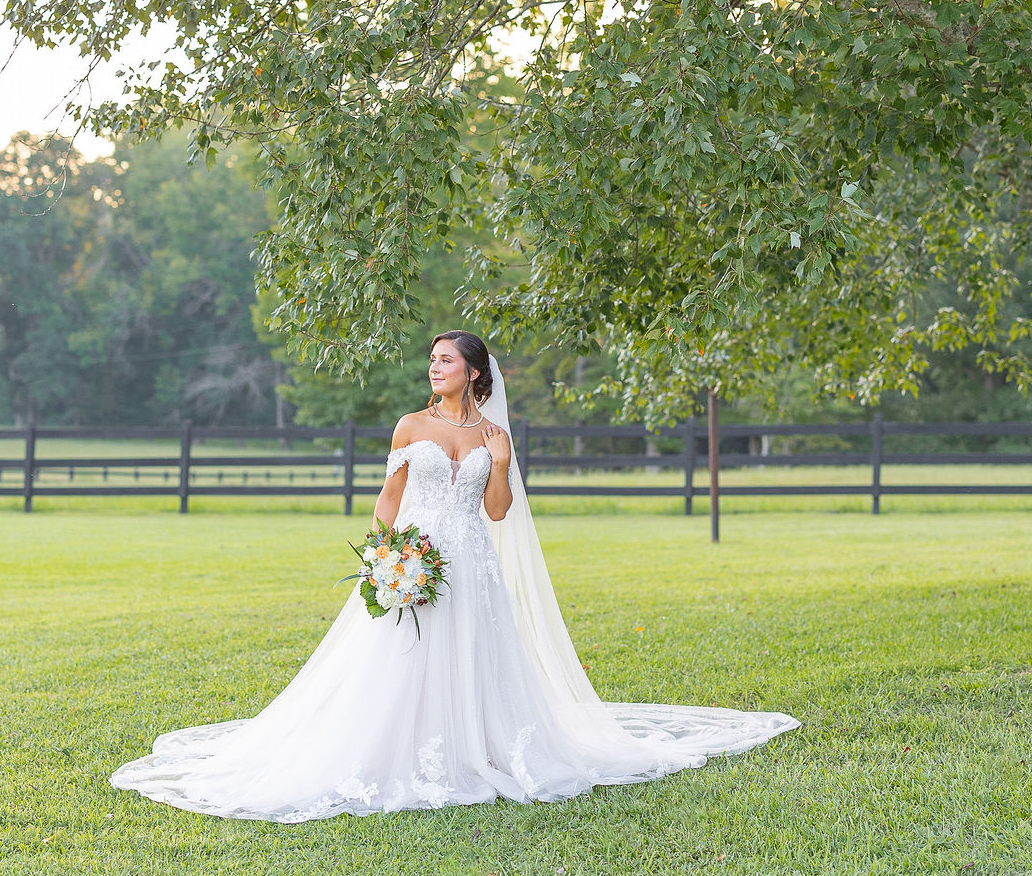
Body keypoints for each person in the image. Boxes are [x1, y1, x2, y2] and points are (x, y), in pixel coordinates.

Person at [110, 330, 799, 822]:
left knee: (475, 654)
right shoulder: (410, 424)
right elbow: (389, 497)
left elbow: (498, 511)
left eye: (445, 360)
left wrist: (499, 463)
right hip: (411, 555)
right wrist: (386, 557)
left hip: (471, 558)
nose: (433, 367)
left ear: (474, 372)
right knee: (398, 656)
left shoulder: (494, 437)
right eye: (432, 359)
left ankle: (482, 747)